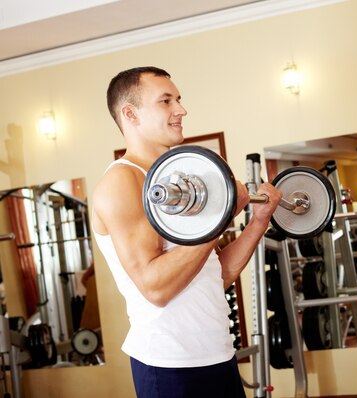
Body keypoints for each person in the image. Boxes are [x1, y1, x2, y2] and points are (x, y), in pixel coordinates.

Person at [92, 66, 282, 398]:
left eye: (178, 99)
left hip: (218, 354)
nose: (181, 110)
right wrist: (220, 217)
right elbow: (156, 288)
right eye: (166, 101)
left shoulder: (178, 176)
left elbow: (216, 274)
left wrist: (258, 221)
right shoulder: (122, 182)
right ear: (130, 114)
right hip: (169, 365)